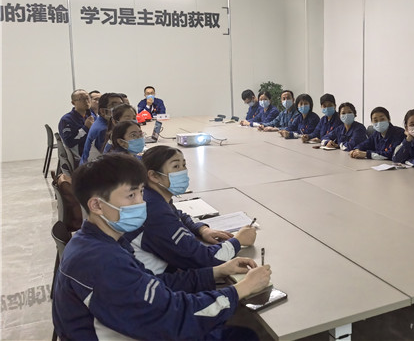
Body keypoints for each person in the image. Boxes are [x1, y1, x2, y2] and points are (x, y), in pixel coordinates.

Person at [52, 153, 270, 340]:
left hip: (131, 327)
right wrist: (242, 289)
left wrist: (217, 271)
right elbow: (175, 319)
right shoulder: (103, 262)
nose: (141, 202)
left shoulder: (100, 240)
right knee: (244, 335)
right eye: (131, 195)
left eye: (141, 192)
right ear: (97, 205)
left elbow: (154, 285)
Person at [123, 146, 257, 274]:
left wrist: (202, 229)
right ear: (154, 176)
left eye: (184, 165)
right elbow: (202, 259)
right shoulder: (155, 211)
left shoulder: (151, 196)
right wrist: (238, 241)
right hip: (158, 281)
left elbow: (178, 214)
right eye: (176, 166)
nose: (183, 171)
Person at [80, 92, 124, 164]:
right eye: (114, 105)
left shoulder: (103, 122)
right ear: (103, 111)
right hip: (94, 168)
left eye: (121, 105)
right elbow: (111, 158)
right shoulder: (103, 130)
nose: (120, 109)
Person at [58, 89, 95, 162]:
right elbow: (69, 142)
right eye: (81, 99)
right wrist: (85, 128)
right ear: (73, 103)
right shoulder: (67, 120)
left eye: (87, 98)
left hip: (92, 150)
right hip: (81, 157)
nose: (86, 101)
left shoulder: (91, 115)